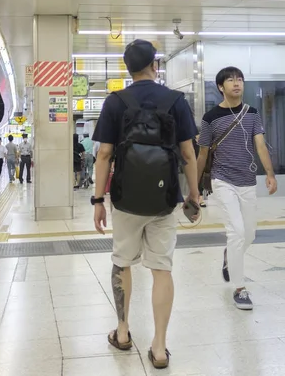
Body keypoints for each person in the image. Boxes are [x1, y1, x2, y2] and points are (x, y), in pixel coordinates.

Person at [92, 39, 199, 370]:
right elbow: (187, 154)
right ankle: (160, 347)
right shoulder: (176, 101)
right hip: (165, 200)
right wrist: (193, 196)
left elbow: (105, 155)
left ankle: (123, 332)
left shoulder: (115, 102)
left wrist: (98, 199)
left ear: (127, 68)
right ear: (156, 65)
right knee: (161, 268)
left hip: (125, 200)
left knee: (122, 262)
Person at [196, 66, 277, 310]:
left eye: (239, 79)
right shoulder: (210, 118)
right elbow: (202, 155)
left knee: (249, 233)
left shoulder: (252, 113)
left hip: (247, 181)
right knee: (237, 232)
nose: (236, 83)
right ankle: (240, 289)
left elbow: (260, 145)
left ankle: (228, 255)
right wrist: (194, 187)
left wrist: (270, 174)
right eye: (230, 80)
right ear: (221, 87)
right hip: (223, 181)